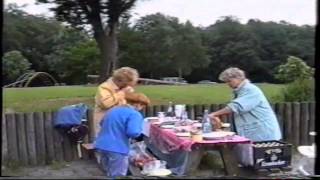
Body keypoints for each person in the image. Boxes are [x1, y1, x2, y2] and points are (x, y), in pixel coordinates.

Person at [209, 67, 282, 142]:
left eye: (229, 81)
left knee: (260, 153)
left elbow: (236, 106)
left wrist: (214, 114)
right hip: (255, 132)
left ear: (238, 78)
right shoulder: (240, 91)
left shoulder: (250, 89)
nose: (228, 84)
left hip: (263, 132)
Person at [94, 92, 150, 178]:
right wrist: (140, 134)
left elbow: (102, 123)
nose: (141, 109)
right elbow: (133, 132)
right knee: (118, 176)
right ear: (138, 104)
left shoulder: (113, 110)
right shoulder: (134, 114)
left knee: (108, 173)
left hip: (101, 145)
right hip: (117, 148)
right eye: (143, 106)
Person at [93, 67, 139, 137]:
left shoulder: (120, 89)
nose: (128, 87)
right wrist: (122, 92)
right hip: (104, 123)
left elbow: (121, 104)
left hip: (117, 122)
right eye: (126, 84)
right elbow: (105, 104)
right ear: (119, 81)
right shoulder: (104, 87)